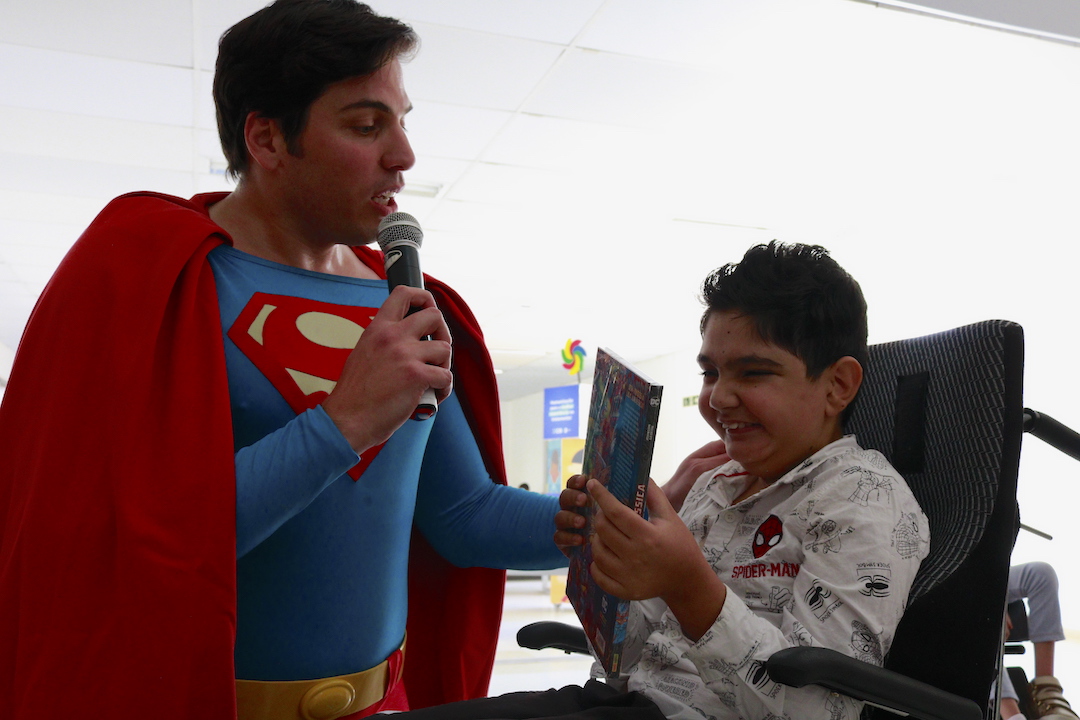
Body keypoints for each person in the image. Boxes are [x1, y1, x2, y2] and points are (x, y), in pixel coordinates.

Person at [0, 2, 567, 719]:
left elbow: (465, 515)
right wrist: (345, 419)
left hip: (385, 704)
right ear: (267, 138)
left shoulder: (410, 299)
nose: (404, 155)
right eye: (366, 126)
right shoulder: (148, 277)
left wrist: (616, 518)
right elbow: (129, 545)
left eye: (402, 120)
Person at [387, 241, 931, 720]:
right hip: (623, 703)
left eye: (754, 372)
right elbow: (626, 660)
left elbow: (821, 711)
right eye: (711, 372)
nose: (718, 398)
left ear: (838, 385)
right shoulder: (714, 484)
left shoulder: (863, 500)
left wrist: (688, 587)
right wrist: (603, 549)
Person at [999, 562, 1077, 720]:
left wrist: (995, 595)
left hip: (974, 576)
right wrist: (994, 602)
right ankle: (1013, 717)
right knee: (984, 611)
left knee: (1041, 574)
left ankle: (1045, 692)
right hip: (945, 583)